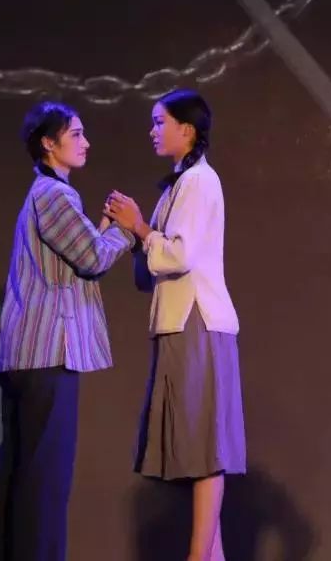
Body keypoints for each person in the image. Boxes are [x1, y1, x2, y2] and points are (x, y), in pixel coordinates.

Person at [104, 89, 245, 561]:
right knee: (193, 447)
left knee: (204, 449)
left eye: (159, 121)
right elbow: (154, 267)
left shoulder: (200, 181)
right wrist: (132, 232)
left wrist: (142, 228)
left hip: (196, 322)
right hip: (177, 325)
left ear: (187, 129)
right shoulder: (176, 186)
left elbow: (179, 254)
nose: (152, 130)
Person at [0, 101, 134, 561]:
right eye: (75, 134)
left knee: (34, 481)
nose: (86, 142)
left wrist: (103, 230)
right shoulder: (54, 195)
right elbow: (92, 259)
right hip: (46, 356)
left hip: (33, 357)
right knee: (46, 484)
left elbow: (75, 258)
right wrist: (127, 231)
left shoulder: (47, 195)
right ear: (48, 144)